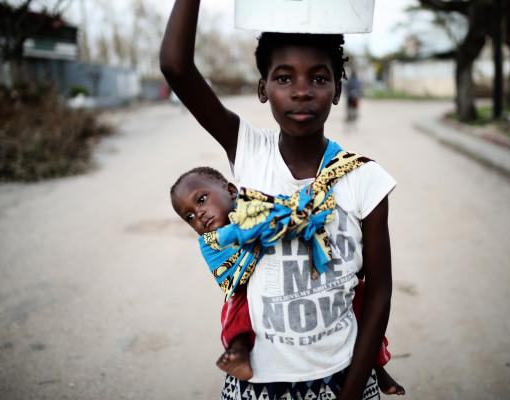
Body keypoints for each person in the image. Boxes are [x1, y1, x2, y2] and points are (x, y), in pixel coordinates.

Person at [160, 1, 397, 397]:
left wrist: (353, 389)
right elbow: (176, 68)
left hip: (343, 376)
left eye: (319, 79)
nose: (302, 91)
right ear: (262, 89)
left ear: (338, 89)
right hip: (261, 384)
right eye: (284, 78)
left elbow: (380, 291)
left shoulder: (364, 179)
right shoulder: (251, 152)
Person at [170, 165, 405, 395]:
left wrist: (283, 219)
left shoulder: (259, 203)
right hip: (248, 291)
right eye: (189, 216)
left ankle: (378, 365)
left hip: (307, 274)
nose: (198, 214)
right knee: (234, 311)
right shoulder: (212, 241)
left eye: (201, 200)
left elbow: (286, 212)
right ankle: (239, 353)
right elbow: (235, 265)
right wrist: (268, 229)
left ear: (231, 191)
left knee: (359, 297)